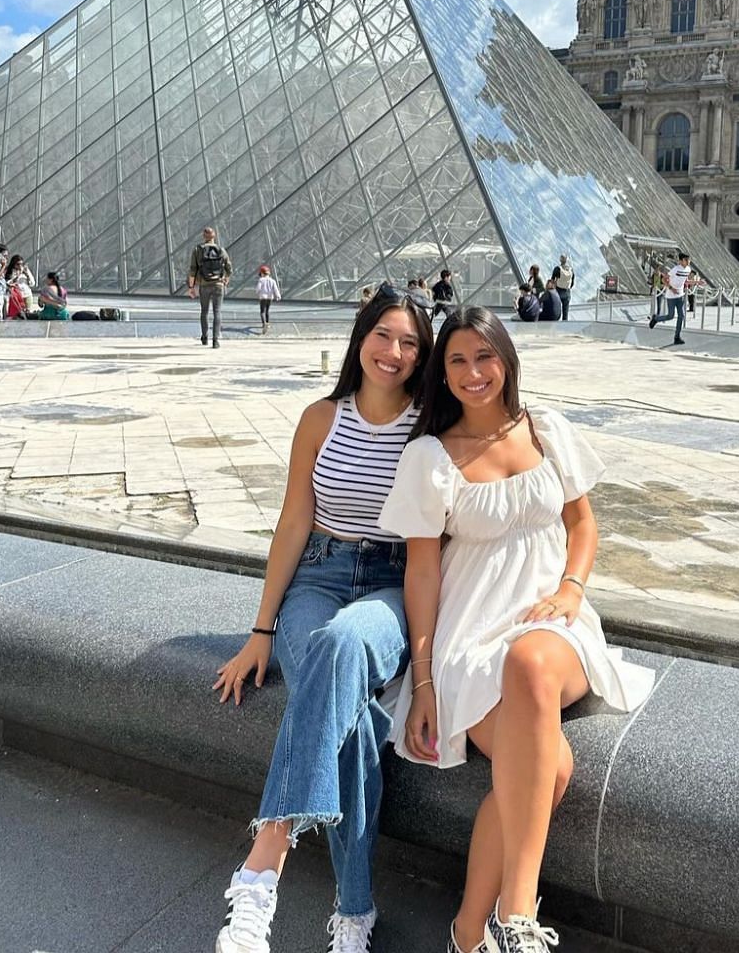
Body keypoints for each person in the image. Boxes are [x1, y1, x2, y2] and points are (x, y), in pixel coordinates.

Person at [379, 307, 656, 953]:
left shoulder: (548, 429)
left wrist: (571, 587)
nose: (474, 373)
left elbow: (583, 527)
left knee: (531, 663)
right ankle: (470, 934)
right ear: (441, 375)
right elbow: (422, 575)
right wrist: (423, 683)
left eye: (485, 356)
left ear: (507, 359)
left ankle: (516, 913)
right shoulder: (428, 456)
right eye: (457, 360)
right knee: (549, 767)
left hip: (551, 621)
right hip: (470, 634)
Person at [209, 290, 434, 953]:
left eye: (410, 343)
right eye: (384, 335)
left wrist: (425, 672)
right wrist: (262, 630)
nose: (394, 353)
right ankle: (354, 914)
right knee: (355, 720)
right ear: (361, 336)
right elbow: (293, 523)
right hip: (318, 577)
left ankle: (264, 863)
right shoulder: (319, 418)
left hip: (392, 585)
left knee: (340, 648)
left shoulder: (430, 427)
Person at [187, 228, 234, 347]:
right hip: (218, 284)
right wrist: (225, 280)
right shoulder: (221, 250)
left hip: (204, 284)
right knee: (217, 311)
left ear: (203, 236)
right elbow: (229, 269)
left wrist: (191, 287)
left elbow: (193, 270)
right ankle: (216, 340)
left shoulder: (198, 250)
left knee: (204, 311)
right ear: (214, 236)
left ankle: (204, 337)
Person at [648, 252, 693, 347]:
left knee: (681, 316)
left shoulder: (688, 269)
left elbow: (686, 280)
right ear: (681, 261)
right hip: (671, 296)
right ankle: (656, 318)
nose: (688, 261)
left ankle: (677, 337)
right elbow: (664, 280)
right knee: (670, 316)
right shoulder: (675, 269)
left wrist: (697, 282)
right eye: (686, 260)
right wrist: (672, 288)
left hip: (680, 295)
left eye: (688, 260)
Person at [3, 253, 36, 319]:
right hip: (16, 296)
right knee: (16, 315)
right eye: (18, 264)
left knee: (27, 314)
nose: (20, 266)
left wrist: (27, 275)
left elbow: (32, 283)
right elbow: (8, 283)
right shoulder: (10, 271)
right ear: (13, 264)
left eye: (21, 264)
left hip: (27, 295)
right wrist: (18, 275)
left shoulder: (25, 271)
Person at [256, 266, 281, 334]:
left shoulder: (261, 280)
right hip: (270, 298)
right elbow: (275, 289)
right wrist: (278, 296)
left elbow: (258, 288)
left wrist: (257, 293)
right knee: (267, 311)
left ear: (262, 273)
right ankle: (267, 323)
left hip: (263, 297)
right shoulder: (272, 280)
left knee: (262, 311)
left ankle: (264, 324)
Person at [550, 255, 574, 320]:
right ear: (567, 260)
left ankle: (554, 324)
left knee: (556, 310)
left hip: (558, 291)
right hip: (567, 292)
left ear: (560, 260)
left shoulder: (557, 269)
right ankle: (564, 326)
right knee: (565, 312)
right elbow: (572, 283)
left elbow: (552, 280)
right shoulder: (571, 270)